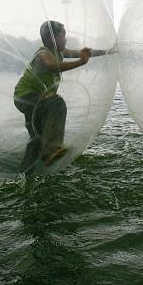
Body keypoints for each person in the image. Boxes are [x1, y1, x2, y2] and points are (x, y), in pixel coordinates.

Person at [14, 20, 107, 174]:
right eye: (63, 36)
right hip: (26, 97)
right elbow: (52, 66)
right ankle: (51, 150)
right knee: (56, 103)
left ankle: (24, 174)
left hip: (33, 99)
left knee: (37, 138)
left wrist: (109, 51)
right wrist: (80, 62)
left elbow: (85, 53)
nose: (66, 39)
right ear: (53, 39)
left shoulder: (60, 52)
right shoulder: (43, 54)